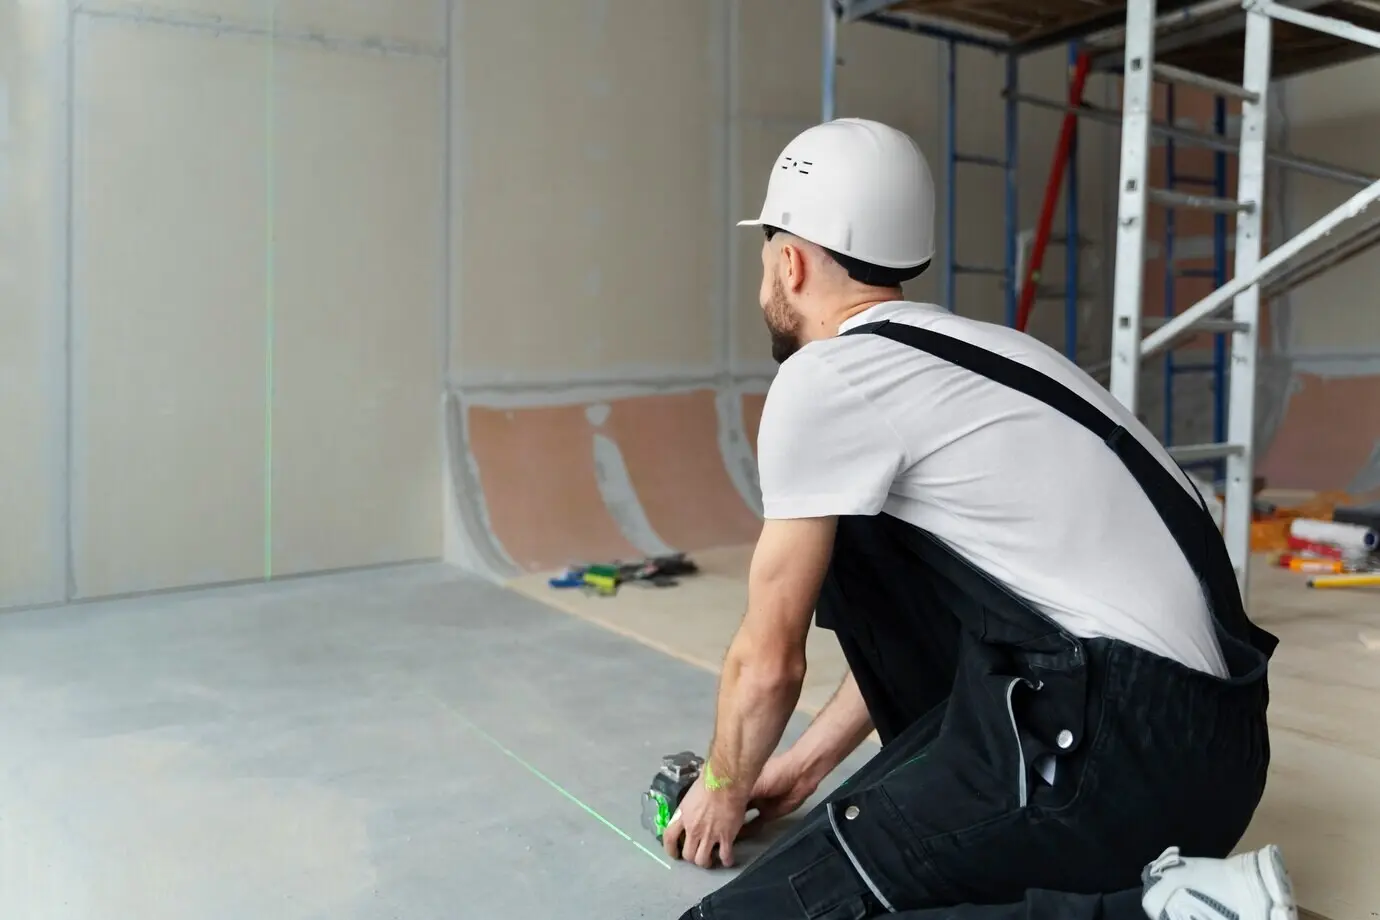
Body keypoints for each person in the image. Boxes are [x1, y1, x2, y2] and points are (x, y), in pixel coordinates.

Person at [663, 117, 1296, 920]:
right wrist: (805, 766)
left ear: (789, 262)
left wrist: (721, 787)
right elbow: (962, 607)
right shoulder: (985, 355)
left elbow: (768, 663)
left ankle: (1160, 913)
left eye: (767, 258)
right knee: (855, 533)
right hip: (1222, 749)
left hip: (1113, 749)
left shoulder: (826, 378)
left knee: (759, 914)